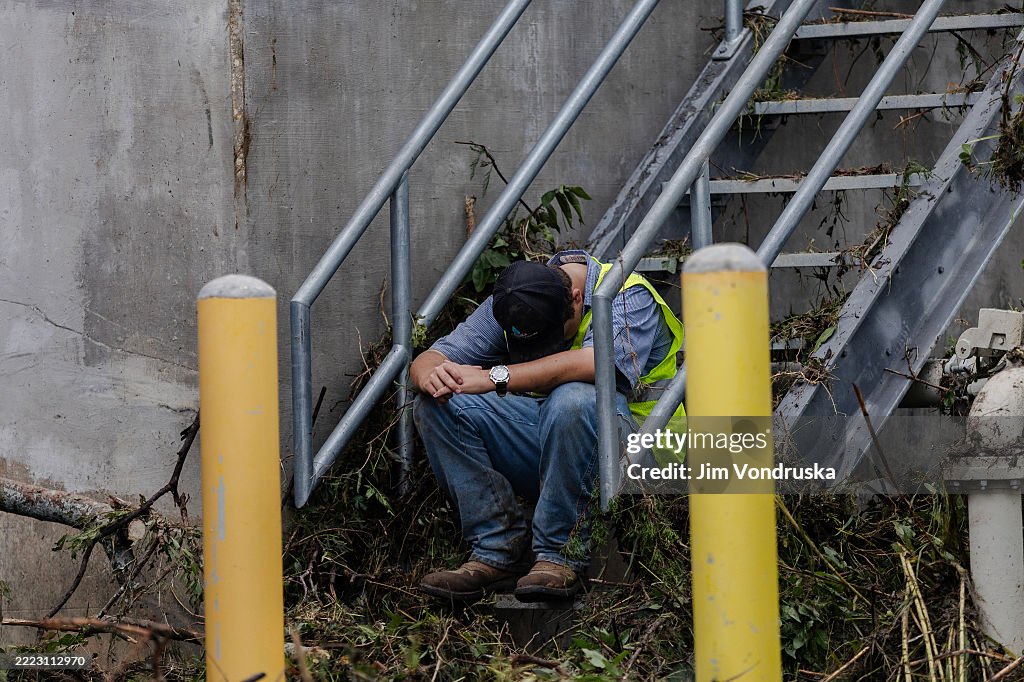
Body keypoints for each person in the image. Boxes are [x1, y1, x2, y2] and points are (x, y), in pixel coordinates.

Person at [411, 249, 683, 602]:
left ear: (575, 298)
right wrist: (434, 376)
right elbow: (431, 357)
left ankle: (559, 554)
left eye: (553, 338)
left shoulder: (626, 292)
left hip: (643, 458)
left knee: (575, 397)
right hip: (562, 443)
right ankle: (497, 551)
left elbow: (596, 363)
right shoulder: (520, 297)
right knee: (439, 405)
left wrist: (496, 376)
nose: (543, 351)